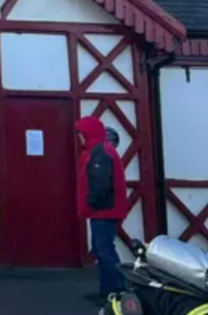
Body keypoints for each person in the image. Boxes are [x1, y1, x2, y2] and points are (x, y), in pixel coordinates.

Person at [76, 116, 129, 303]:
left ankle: (116, 292)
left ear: (87, 133)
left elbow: (100, 182)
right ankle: (108, 290)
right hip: (105, 209)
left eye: (80, 133)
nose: (79, 137)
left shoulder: (99, 151)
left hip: (104, 210)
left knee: (104, 250)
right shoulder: (99, 150)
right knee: (102, 249)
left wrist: (91, 202)